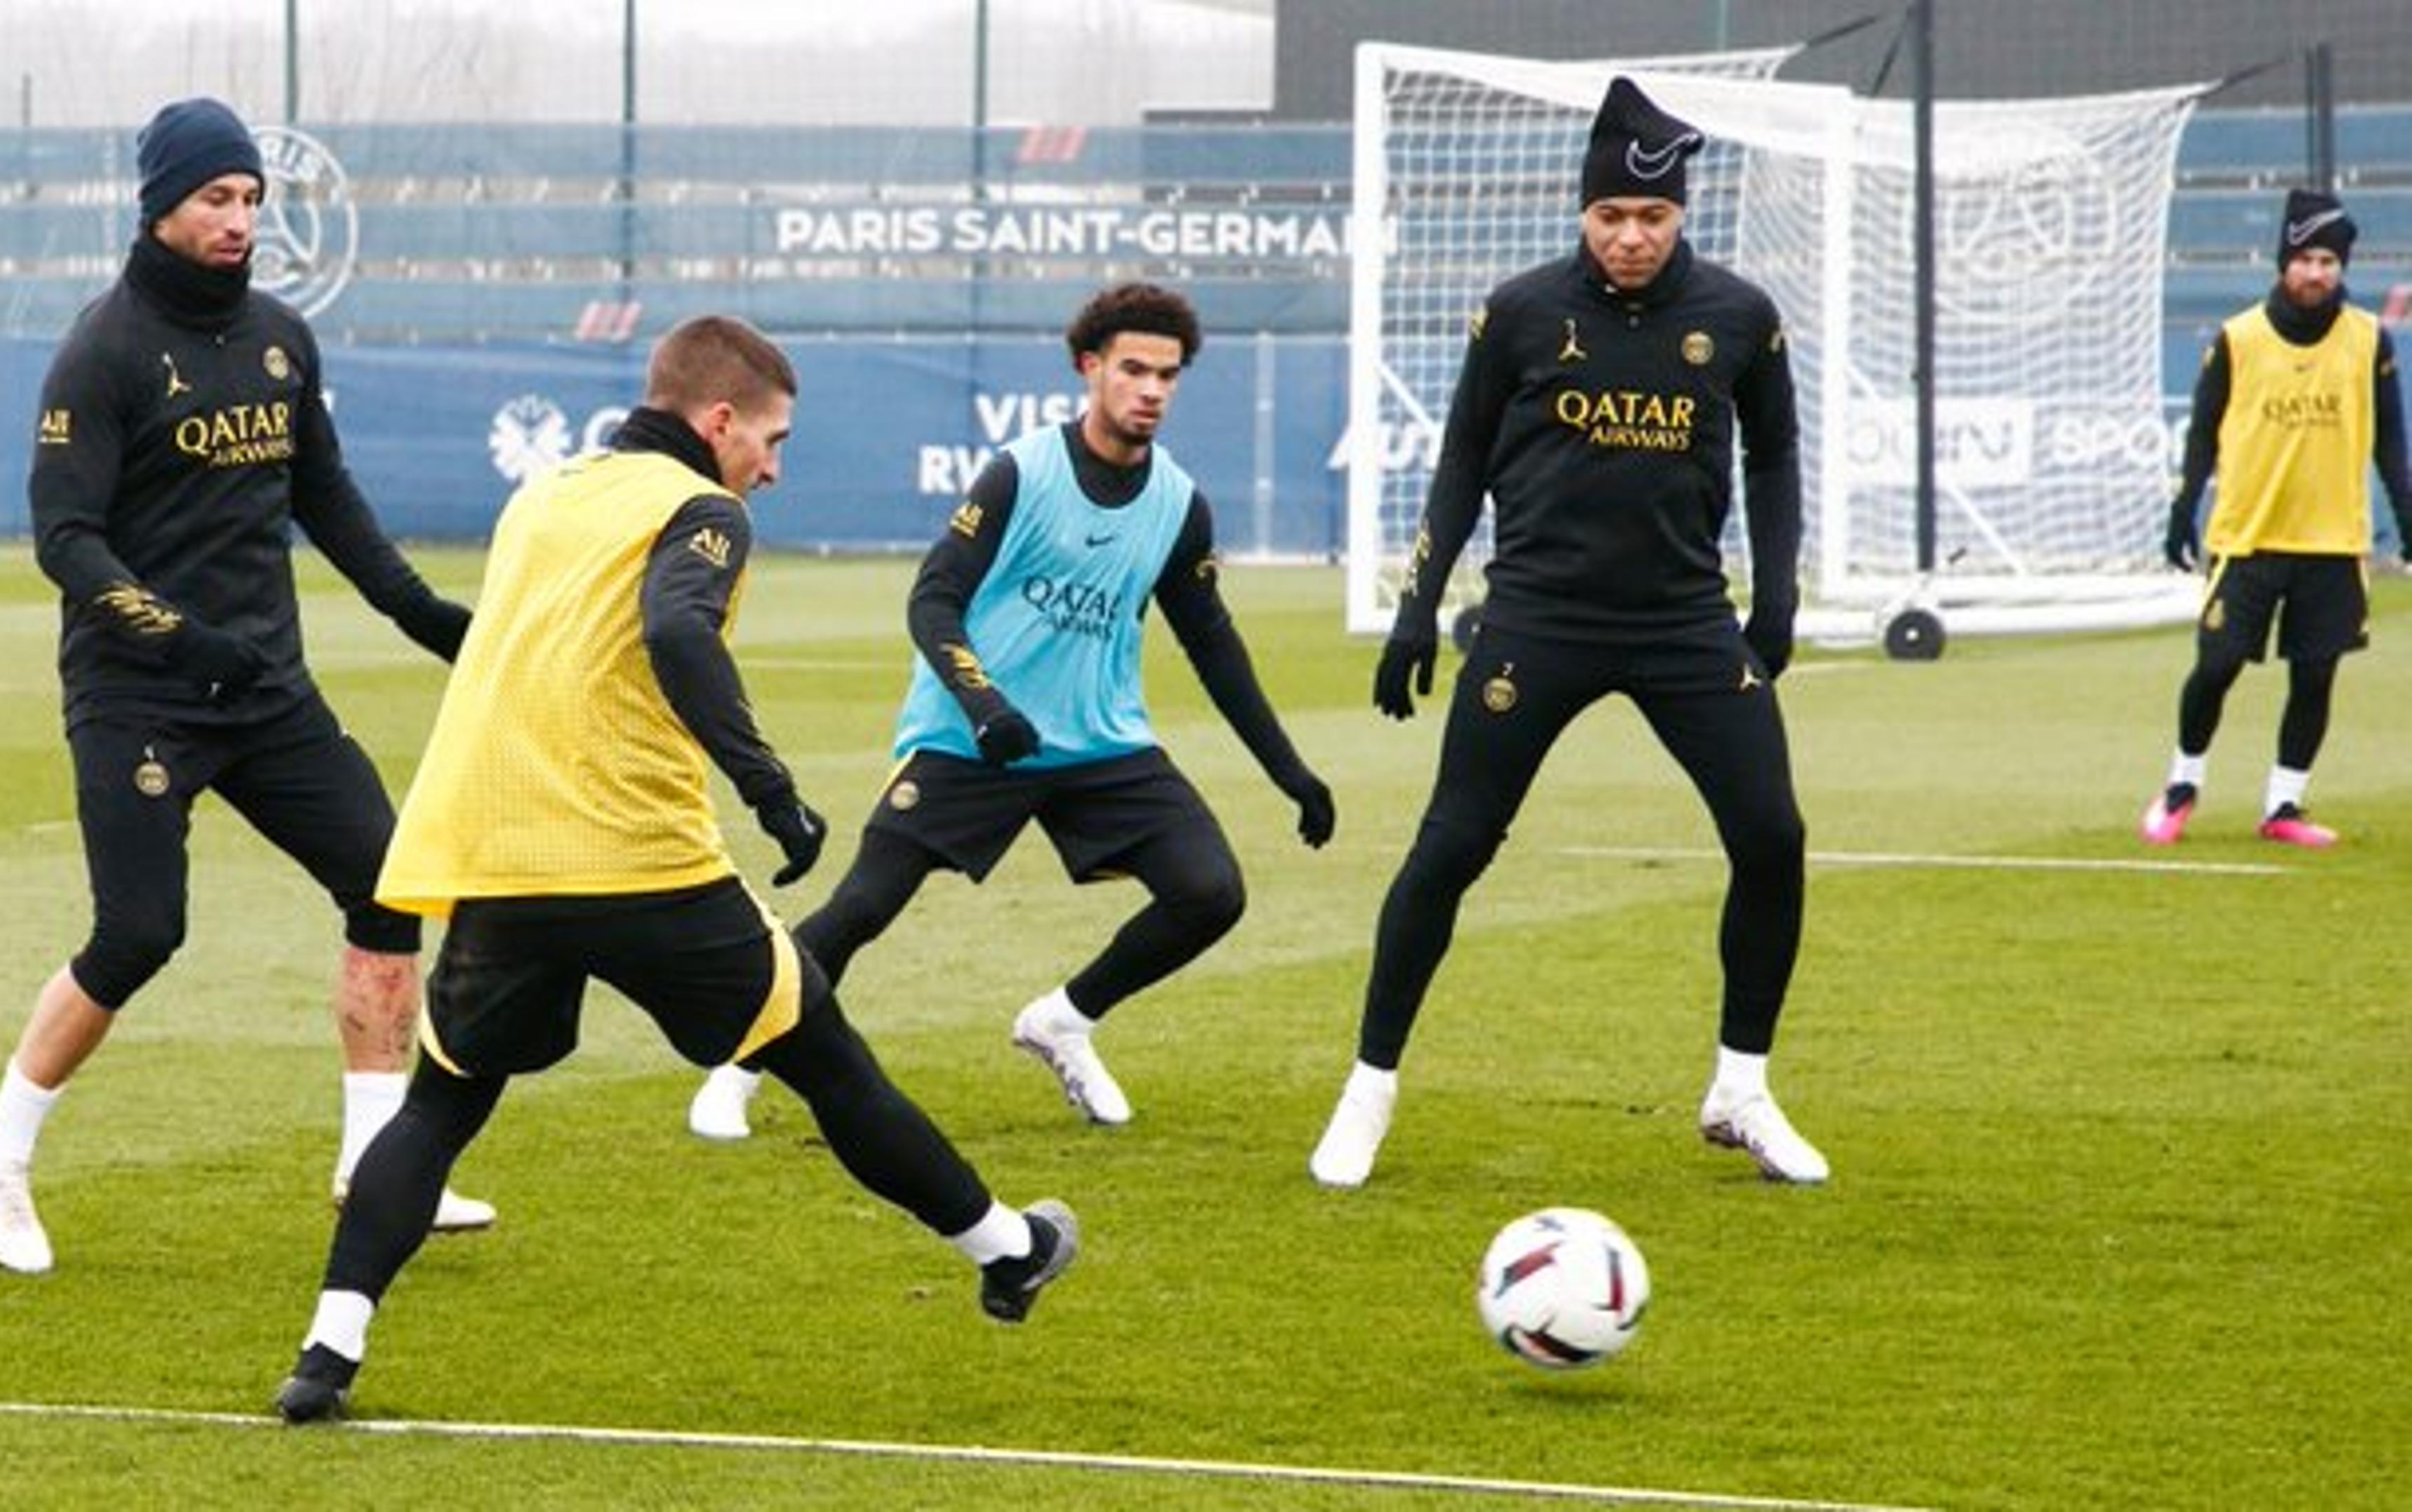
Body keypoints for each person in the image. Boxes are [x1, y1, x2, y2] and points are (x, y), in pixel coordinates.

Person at [273, 314, 1078, 1423]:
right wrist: (770, 785)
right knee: (830, 1062)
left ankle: (326, 1351)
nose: (774, 467)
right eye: (771, 439)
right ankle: (1010, 1248)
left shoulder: (547, 492)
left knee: (442, 1106)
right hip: (636, 858)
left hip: (501, 855)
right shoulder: (705, 508)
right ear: (717, 421)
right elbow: (680, 635)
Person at [0, 97, 492, 1276]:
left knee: (389, 886)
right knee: (141, 931)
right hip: (140, 691)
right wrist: (182, 638)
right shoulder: (101, 351)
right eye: (217, 199)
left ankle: (375, 1162)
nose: (241, 219)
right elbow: (68, 539)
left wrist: (423, 615)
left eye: (252, 199)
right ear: (161, 207)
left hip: (265, 692)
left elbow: (328, 499)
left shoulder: (284, 337)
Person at [1308, 77, 1825, 1190]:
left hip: (1686, 623)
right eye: (1611, 217)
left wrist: (1775, 596)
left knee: (1773, 837)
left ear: (1682, 216)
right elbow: (1459, 462)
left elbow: (1776, 457)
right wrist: (1415, 602)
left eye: (1653, 219)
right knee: (1451, 847)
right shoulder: (1521, 313)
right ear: (1582, 214)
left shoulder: (1741, 317)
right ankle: (1368, 1088)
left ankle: (1741, 1088)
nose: (1631, 238)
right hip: (1537, 618)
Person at [683, 282, 1334, 1141]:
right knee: (862, 909)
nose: (1151, 390)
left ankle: (1065, 1018)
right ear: (1089, 368)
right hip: (968, 738)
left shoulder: (1178, 503)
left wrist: (1292, 772)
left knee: (1209, 892)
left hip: (1098, 746)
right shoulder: (1022, 472)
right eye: (1133, 369)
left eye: (1168, 376)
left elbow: (1214, 644)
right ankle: (742, 1060)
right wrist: (984, 704)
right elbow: (933, 600)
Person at [2139, 187, 2411, 850]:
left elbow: (2390, 443)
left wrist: (2408, 525)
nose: (2317, 273)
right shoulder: (2238, 338)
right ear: (2283, 261)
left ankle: (2283, 805)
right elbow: (2202, 434)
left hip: (2332, 540)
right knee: (2217, 665)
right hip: (2248, 536)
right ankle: (2182, 784)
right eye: (2306, 259)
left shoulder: (2368, 340)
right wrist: (2183, 512)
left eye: (2329, 260)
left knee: (2315, 675)